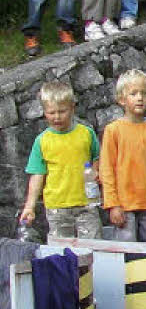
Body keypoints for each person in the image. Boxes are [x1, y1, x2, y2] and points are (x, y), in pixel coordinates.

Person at [19, 81, 101, 238]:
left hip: (86, 203)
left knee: (94, 248)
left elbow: (97, 156)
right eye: (51, 112)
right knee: (61, 252)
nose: (57, 117)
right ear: (44, 112)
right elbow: (37, 175)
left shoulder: (86, 134)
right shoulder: (42, 140)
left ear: (72, 108)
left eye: (62, 111)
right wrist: (30, 206)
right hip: (57, 207)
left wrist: (96, 171)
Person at [99, 69, 146, 241]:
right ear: (121, 99)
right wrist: (113, 204)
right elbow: (106, 169)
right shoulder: (113, 130)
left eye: (144, 93)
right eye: (133, 93)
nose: (139, 98)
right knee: (127, 255)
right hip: (124, 204)